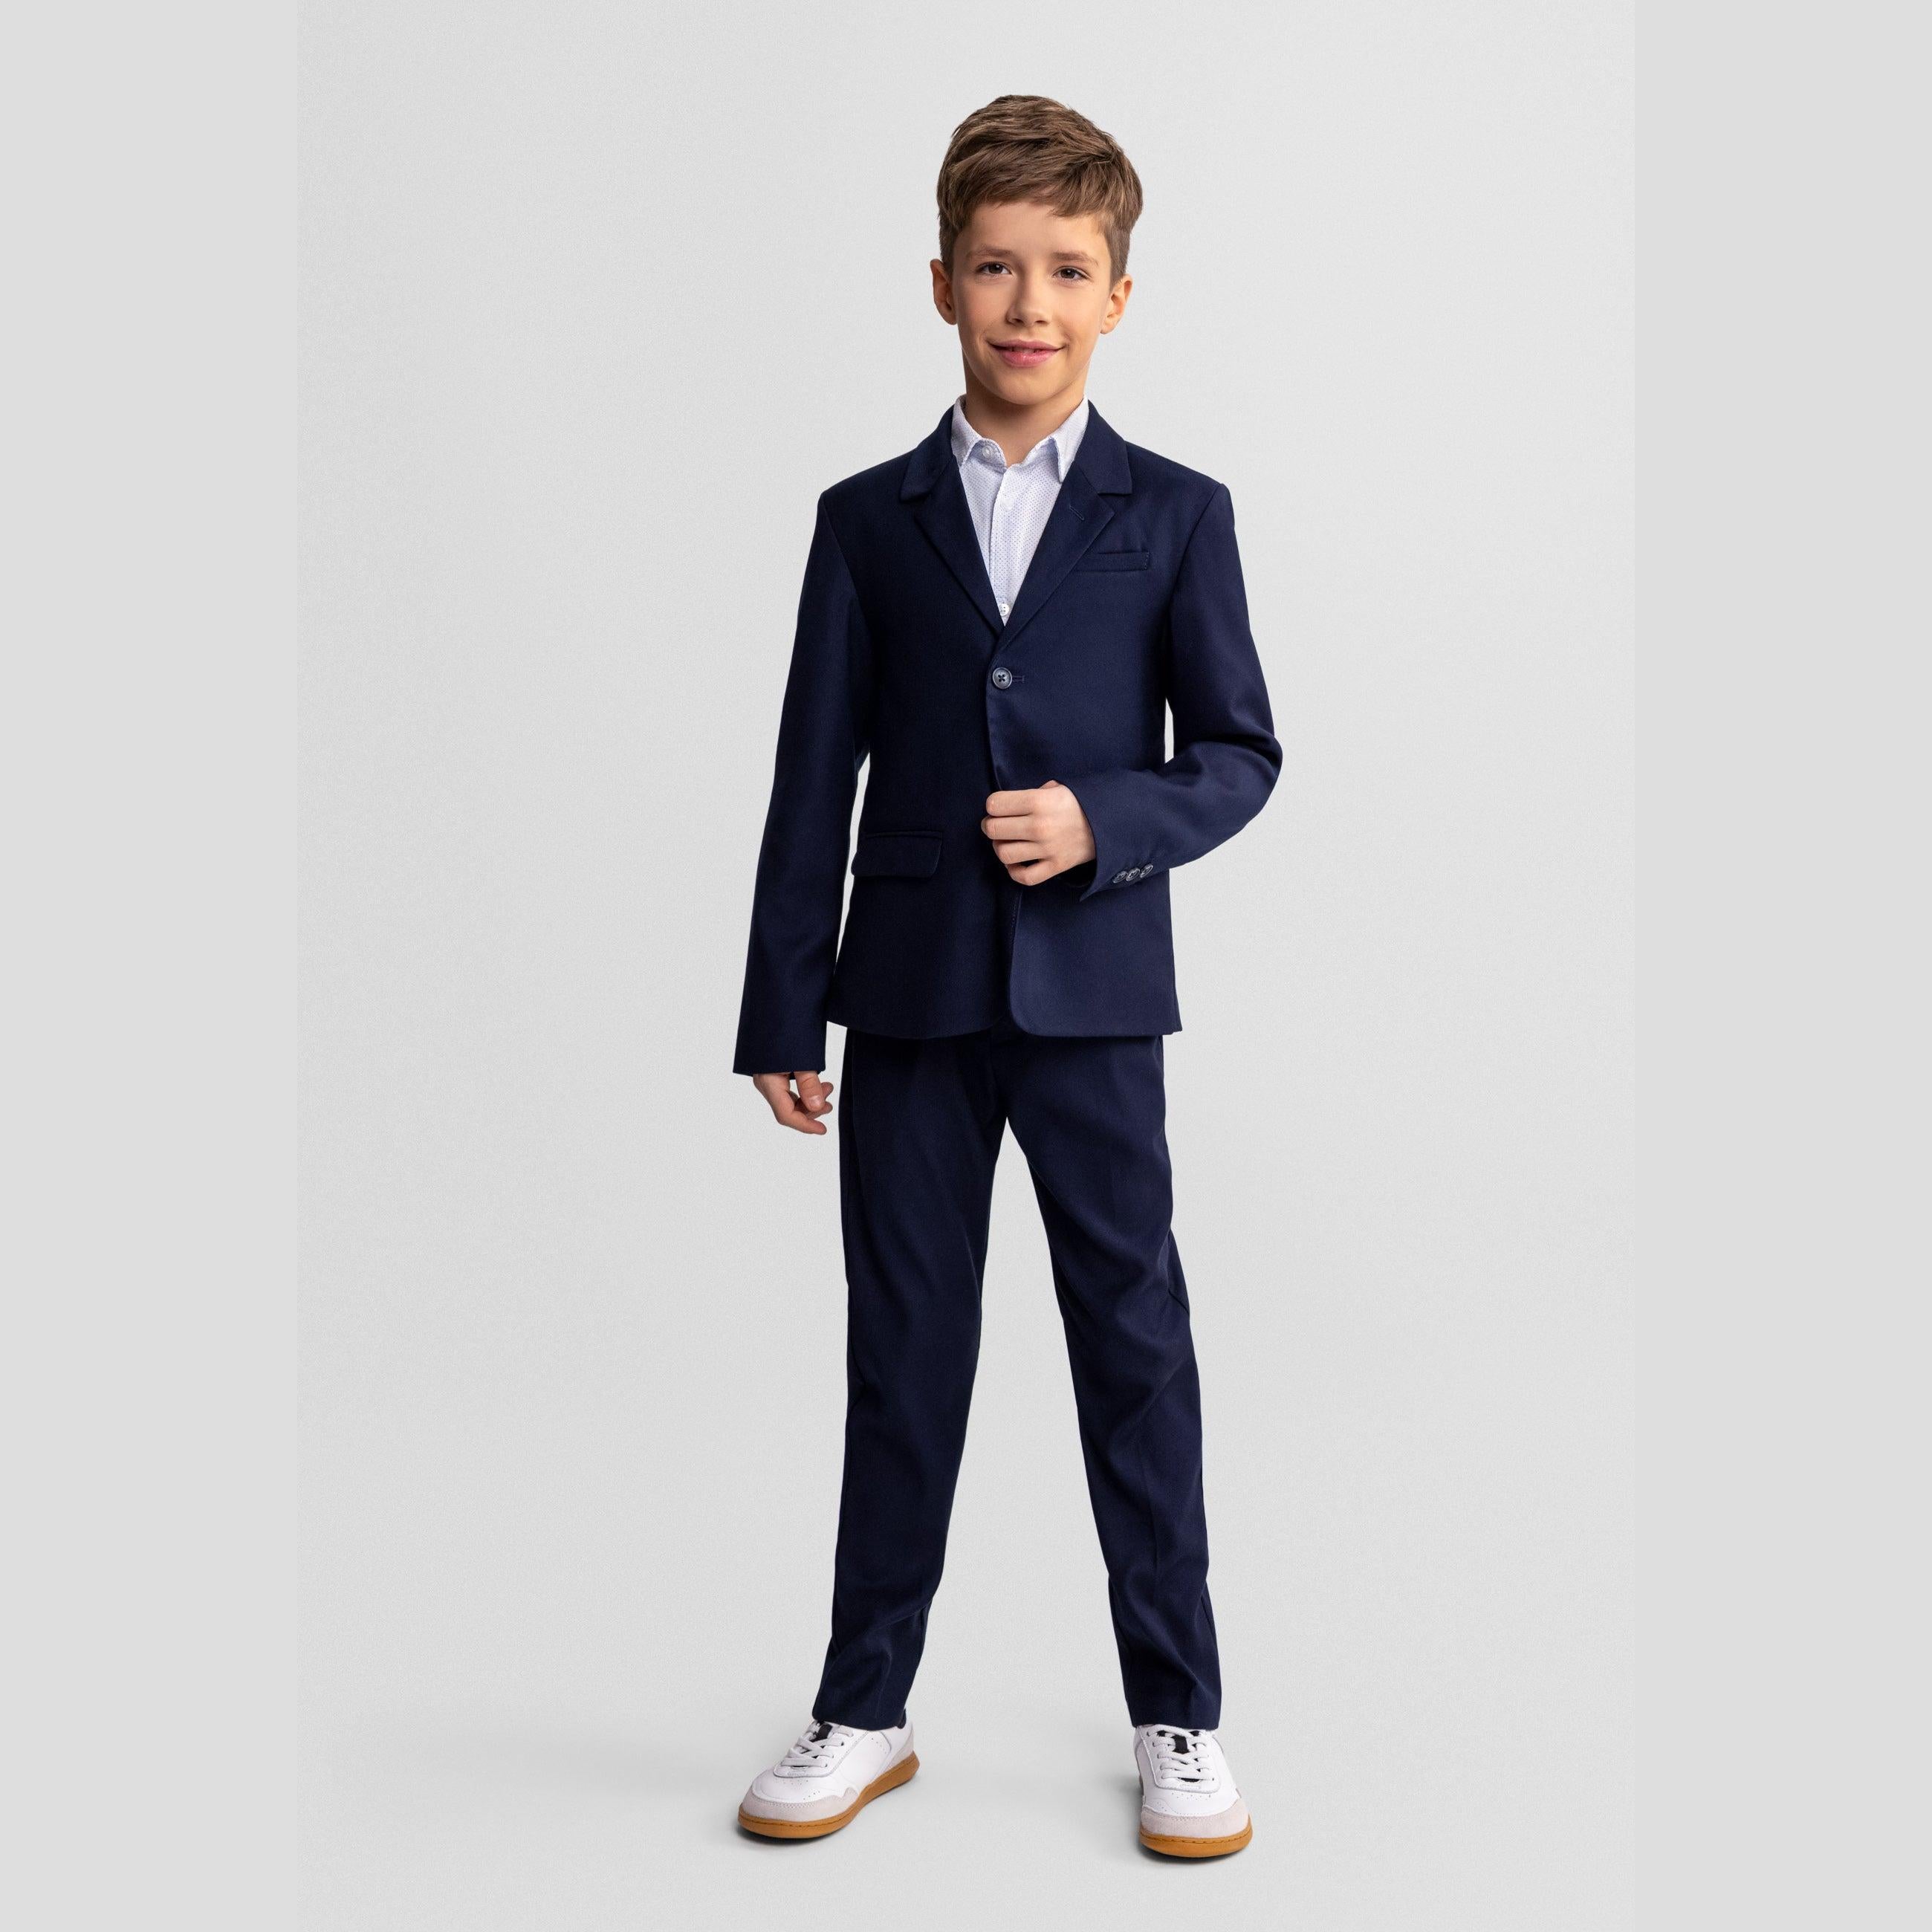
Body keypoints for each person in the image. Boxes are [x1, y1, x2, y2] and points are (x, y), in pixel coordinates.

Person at [729, 93, 1280, 1858]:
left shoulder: (1175, 514)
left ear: (1120, 295)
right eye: (994, 268)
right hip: (902, 1000)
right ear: (944, 285)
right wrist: (777, 1007)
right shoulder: (867, 518)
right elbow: (812, 773)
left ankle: (1178, 1713)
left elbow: (1243, 752)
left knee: (1134, 1346)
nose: (1026, 302)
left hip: (1097, 1003)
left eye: (1065, 270)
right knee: (902, 1353)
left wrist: (1102, 818)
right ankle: (864, 1707)